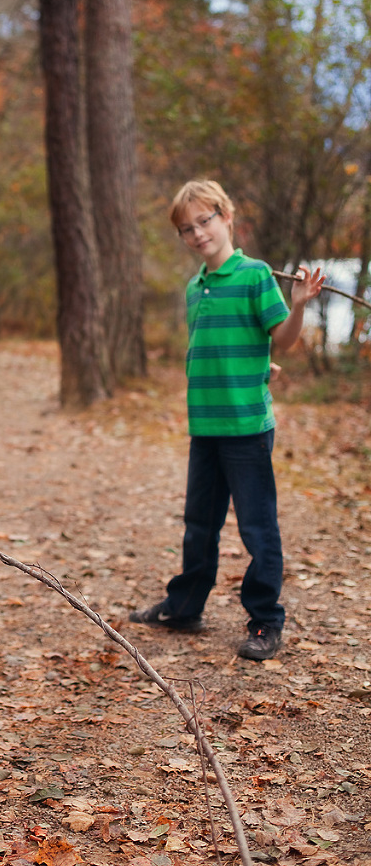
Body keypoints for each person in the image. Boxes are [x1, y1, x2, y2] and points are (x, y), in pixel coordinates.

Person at [130, 179, 325, 661]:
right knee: (199, 523)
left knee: (258, 528)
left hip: (246, 429)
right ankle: (185, 605)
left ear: (227, 217)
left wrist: (298, 306)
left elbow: (282, 338)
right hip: (206, 428)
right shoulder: (194, 288)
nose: (198, 233)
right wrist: (258, 366)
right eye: (187, 228)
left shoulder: (256, 275)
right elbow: (222, 347)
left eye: (205, 220)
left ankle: (265, 621)